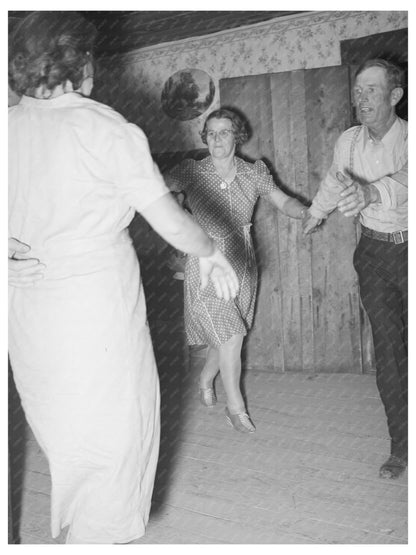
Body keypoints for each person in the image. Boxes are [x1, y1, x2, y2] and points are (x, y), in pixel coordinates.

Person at [8, 11, 239, 544]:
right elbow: (172, 223)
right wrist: (210, 251)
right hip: (93, 306)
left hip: (26, 308)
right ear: (80, 62)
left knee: (65, 435)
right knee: (116, 435)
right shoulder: (105, 127)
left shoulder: (9, 125)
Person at [165, 108, 307, 433]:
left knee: (230, 337)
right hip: (205, 262)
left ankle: (205, 378)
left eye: (224, 132)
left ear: (236, 136)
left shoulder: (253, 172)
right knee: (230, 333)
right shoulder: (191, 172)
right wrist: (176, 212)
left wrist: (306, 212)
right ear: (205, 137)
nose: (217, 138)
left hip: (243, 263)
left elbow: (283, 201)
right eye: (211, 133)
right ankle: (236, 409)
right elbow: (153, 190)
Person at [303, 59, 407, 479]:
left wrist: (370, 193)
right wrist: (317, 212)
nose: (360, 98)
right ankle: (401, 446)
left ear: (395, 96)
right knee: (389, 352)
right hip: (373, 255)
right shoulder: (348, 140)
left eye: (371, 90)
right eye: (358, 90)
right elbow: (335, 179)